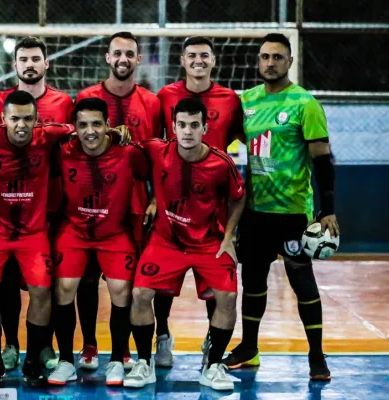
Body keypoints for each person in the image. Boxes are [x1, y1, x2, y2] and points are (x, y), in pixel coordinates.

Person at [223, 33, 337, 382]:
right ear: (258, 62)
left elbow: (323, 159)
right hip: (256, 213)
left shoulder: (305, 104)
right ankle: (249, 347)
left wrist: (328, 208)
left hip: (292, 214)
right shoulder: (246, 102)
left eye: (277, 57)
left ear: (289, 62)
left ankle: (317, 356)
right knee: (253, 282)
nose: (269, 63)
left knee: (302, 283)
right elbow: (237, 143)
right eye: (264, 57)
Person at [126, 98, 245, 391]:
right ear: (173, 127)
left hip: (209, 242)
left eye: (194, 125)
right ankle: (144, 362)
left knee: (227, 298)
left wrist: (229, 236)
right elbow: (125, 148)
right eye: (182, 125)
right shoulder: (156, 150)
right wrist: (115, 134)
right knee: (140, 293)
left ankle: (213, 365)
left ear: (205, 128)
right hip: (166, 241)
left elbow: (239, 197)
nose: (188, 131)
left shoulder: (221, 162)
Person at [0, 90, 75, 387]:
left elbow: (83, 128)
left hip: (33, 232)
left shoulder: (49, 135)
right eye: (14, 119)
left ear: (37, 119)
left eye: (28, 119)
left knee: (41, 291)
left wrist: (115, 132)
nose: (21, 125)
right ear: (3, 119)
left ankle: (32, 360)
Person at [153, 36, 245, 368]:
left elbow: (241, 136)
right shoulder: (165, 96)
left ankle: (212, 342)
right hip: (172, 203)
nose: (198, 61)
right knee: (160, 282)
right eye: (192, 55)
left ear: (213, 60)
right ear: (182, 59)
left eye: (204, 56)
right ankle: (162, 336)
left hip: (213, 205)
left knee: (215, 284)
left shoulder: (230, 99)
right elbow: (156, 147)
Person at [73, 31, 162, 369]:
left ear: (138, 59)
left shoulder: (151, 103)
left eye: (130, 54)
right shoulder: (86, 96)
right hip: (90, 206)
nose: (123, 59)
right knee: (86, 279)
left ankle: (123, 349)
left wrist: (156, 200)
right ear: (107, 58)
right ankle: (89, 345)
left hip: (135, 207)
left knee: (126, 285)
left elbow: (158, 157)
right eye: (117, 54)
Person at [47, 98, 148, 387]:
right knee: (64, 287)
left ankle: (117, 359)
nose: (89, 131)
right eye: (82, 125)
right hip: (75, 230)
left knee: (121, 288)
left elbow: (155, 171)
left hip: (114, 232)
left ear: (108, 126)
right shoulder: (64, 153)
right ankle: (66, 360)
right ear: (74, 128)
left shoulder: (128, 154)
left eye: (96, 124)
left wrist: (153, 203)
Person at [0, 36, 74, 371]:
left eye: (35, 58)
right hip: (7, 208)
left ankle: (43, 346)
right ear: (15, 65)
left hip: (51, 204)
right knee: (8, 282)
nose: (29, 64)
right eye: (23, 59)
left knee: (46, 282)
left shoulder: (64, 102)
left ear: (46, 63)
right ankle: (10, 343)